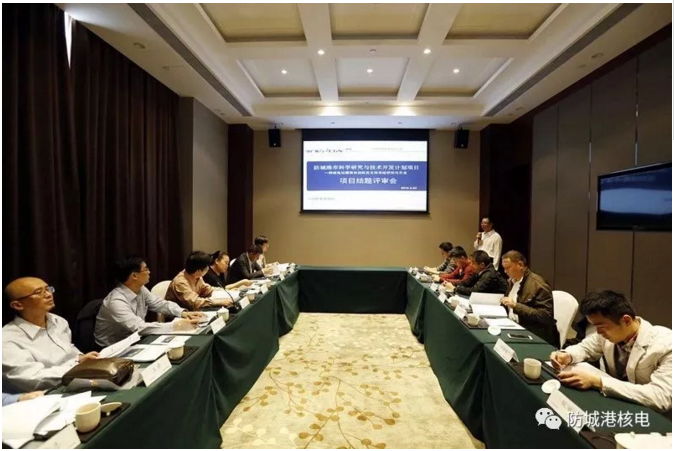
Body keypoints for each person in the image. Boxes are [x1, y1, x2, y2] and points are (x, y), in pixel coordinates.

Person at [550, 291, 672, 412]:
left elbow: (660, 397)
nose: (598, 332)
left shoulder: (666, 345)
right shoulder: (609, 333)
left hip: (653, 416)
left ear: (626, 321)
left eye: (601, 326)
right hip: (618, 404)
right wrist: (567, 355)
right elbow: (586, 348)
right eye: (594, 326)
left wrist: (599, 382)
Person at [2, 278, 99, 393]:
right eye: (39, 292)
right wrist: (77, 368)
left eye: (48, 289)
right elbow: (33, 379)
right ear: (18, 305)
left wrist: (81, 358)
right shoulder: (7, 339)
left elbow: (69, 351)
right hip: (43, 394)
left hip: (76, 380)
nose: (48, 295)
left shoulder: (58, 321)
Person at [95, 256, 204, 347]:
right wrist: (176, 326)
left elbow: (160, 304)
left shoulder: (141, 289)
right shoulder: (116, 301)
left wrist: (184, 313)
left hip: (134, 339)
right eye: (146, 269)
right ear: (134, 275)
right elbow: (139, 327)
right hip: (112, 348)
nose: (149, 272)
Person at [499, 250, 559, 347]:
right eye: (504, 268)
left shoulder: (538, 284)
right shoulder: (512, 281)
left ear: (520, 265)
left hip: (535, 335)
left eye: (508, 268)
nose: (505, 271)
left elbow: (545, 315)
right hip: (513, 326)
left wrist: (516, 306)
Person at [166, 251, 235, 310]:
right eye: (207, 267)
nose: (208, 269)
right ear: (198, 271)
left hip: (192, 311)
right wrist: (218, 302)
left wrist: (228, 292)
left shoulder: (197, 276)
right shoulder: (180, 282)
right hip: (178, 316)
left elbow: (208, 290)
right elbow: (195, 302)